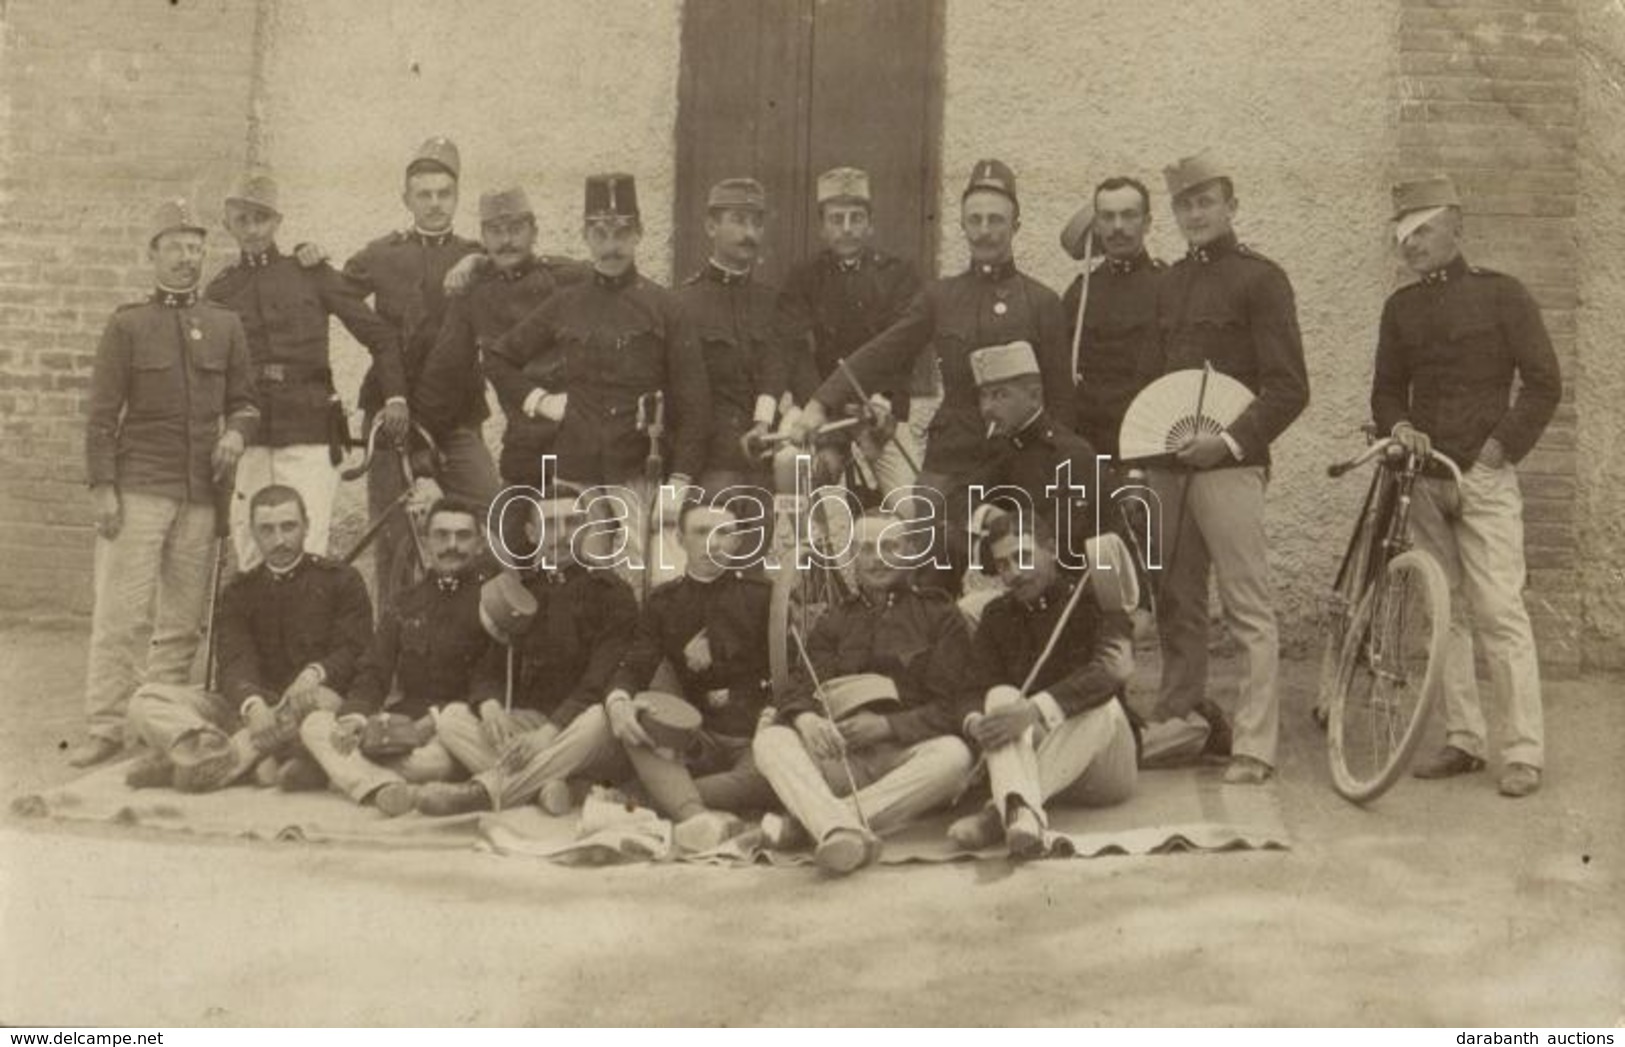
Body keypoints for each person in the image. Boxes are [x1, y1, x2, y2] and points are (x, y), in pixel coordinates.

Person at [1373, 175, 1561, 798]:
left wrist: (1499, 449)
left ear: (1457, 226)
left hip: (1484, 480)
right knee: (1442, 612)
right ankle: (1463, 738)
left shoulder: (1503, 296)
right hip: (1423, 484)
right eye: (1403, 235)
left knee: (1500, 611)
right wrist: (1398, 425)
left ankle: (1523, 751)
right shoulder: (1400, 309)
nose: (1412, 245)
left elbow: (1542, 382)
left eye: (1423, 230)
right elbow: (1386, 388)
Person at [73, 198, 258, 768]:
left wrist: (236, 435)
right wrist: (104, 488)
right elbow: (102, 416)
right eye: (175, 246)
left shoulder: (225, 324)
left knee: (181, 621)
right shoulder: (128, 324)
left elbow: (245, 403)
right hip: (140, 487)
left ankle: (159, 720)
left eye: (195, 247)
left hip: (202, 493)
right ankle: (106, 725)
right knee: (122, 614)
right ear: (152, 253)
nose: (187, 257)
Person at [1144, 151, 1309, 786]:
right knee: (1177, 600)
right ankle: (1181, 721)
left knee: (1248, 605)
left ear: (1231, 207)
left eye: (1206, 201)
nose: (1195, 214)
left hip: (1229, 467)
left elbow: (1289, 389)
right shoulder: (1168, 284)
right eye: (1185, 204)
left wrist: (1229, 444)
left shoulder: (1261, 280)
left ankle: (1255, 744)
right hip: (1169, 466)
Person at [790, 160, 1070, 507]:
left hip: (1022, 456)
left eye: (996, 220)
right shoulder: (941, 297)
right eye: (975, 220)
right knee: (922, 535)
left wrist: (1055, 466)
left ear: (1016, 226)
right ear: (963, 226)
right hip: (955, 456)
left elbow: (1060, 402)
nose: (984, 230)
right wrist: (820, 402)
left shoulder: (1043, 302)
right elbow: (884, 351)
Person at [484, 173, 710, 589]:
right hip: (576, 471)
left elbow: (696, 405)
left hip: (640, 468)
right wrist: (539, 400)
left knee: (652, 582)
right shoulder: (566, 303)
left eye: (622, 232)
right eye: (601, 233)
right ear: (586, 236)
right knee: (581, 581)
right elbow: (498, 357)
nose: (612, 246)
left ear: (639, 233)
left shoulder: (666, 308)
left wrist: (679, 483)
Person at [753, 510, 983, 875]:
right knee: (771, 740)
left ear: (909, 552)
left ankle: (820, 824)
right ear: (852, 558)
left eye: (889, 547)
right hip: (842, 756)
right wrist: (808, 718)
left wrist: (888, 727)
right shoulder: (835, 619)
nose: (876, 558)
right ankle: (836, 827)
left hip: (907, 756)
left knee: (955, 758)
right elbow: (800, 685)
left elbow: (950, 706)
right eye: (865, 549)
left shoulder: (940, 615)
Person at [206, 170, 405, 569]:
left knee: (309, 550)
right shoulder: (220, 291)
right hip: (251, 435)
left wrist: (396, 394)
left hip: (310, 429)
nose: (252, 229)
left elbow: (379, 335)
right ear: (228, 225)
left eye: (261, 218)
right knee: (250, 548)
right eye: (242, 220)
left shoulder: (310, 272)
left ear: (277, 221)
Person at [408, 488, 640, 816]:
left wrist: (547, 735)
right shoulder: (520, 587)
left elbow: (597, 682)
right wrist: (490, 707)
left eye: (571, 523)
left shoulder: (613, 594)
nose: (560, 536)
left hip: (579, 732)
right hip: (531, 727)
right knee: (451, 719)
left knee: (599, 720)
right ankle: (553, 787)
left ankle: (485, 792)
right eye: (548, 524)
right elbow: (488, 667)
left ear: (587, 529)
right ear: (531, 533)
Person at [125, 485, 372, 791]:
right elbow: (233, 662)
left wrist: (314, 673)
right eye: (267, 529)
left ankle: (200, 762)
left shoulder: (342, 580)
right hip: (248, 711)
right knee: (146, 699)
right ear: (253, 533)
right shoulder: (240, 592)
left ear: (306, 526)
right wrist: (252, 705)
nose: (279, 539)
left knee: (318, 712)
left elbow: (354, 649)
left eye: (289, 527)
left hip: (311, 703)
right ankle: (232, 755)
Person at [342, 137, 500, 610]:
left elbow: (523, 266)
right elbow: (332, 294)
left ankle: (473, 628)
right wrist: (310, 257)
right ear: (406, 199)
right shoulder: (380, 254)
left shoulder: (476, 255)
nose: (434, 204)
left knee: (491, 513)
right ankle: (391, 658)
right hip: (392, 418)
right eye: (424, 194)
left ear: (457, 196)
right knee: (396, 539)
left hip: (455, 418)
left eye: (444, 194)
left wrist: (480, 260)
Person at [949, 512, 1139, 857]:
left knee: (1104, 706)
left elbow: (1114, 669)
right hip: (1041, 759)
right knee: (998, 696)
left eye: (1023, 557)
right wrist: (977, 723)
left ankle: (997, 812)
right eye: (1003, 565)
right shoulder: (997, 615)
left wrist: (1034, 709)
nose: (1014, 573)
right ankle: (1023, 812)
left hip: (1104, 767)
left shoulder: (1095, 597)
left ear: (1050, 549)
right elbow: (971, 688)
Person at [298, 499, 497, 814]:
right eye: (442, 536)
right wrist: (355, 718)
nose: (452, 546)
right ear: (427, 540)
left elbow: (491, 681)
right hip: (398, 726)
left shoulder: (492, 602)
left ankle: (343, 774)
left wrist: (428, 724)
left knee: (428, 764)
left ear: (479, 542)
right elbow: (374, 669)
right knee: (315, 724)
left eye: (463, 536)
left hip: (448, 729)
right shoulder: (406, 601)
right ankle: (383, 787)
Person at [602, 503, 778, 853]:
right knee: (636, 721)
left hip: (754, 736)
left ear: (739, 542)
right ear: (681, 539)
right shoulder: (664, 601)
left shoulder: (764, 596)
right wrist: (618, 701)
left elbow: (790, 672)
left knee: (773, 772)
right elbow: (635, 664)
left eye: (724, 533)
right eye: (701, 532)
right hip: (697, 738)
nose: (713, 544)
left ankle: (644, 799)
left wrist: (772, 715)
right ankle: (699, 818)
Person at [414, 186, 587, 491]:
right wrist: (420, 437)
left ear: (534, 231)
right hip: (526, 447)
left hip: (580, 443)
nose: (506, 241)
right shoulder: (475, 296)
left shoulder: (569, 277)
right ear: (483, 236)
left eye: (516, 229)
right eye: (495, 231)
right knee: (506, 533)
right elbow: (444, 370)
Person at [779, 166, 923, 498]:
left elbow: (901, 351)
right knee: (793, 472)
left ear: (870, 224)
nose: (846, 229)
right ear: (821, 227)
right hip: (820, 412)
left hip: (879, 409)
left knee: (912, 503)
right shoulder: (803, 277)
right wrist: (816, 407)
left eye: (856, 218)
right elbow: (795, 351)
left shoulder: (898, 275)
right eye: (836, 219)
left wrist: (881, 400)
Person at [675, 177, 791, 552]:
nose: (749, 233)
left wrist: (762, 421)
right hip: (711, 464)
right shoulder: (683, 304)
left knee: (753, 574)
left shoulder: (770, 302)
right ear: (711, 226)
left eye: (756, 223)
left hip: (759, 458)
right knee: (713, 563)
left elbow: (774, 368)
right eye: (738, 221)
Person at [1058, 178, 1166, 460]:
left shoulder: (1169, 287)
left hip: (1147, 446)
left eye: (1129, 215)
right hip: (1087, 447)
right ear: (1097, 225)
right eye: (1107, 216)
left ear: (1147, 223)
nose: (1118, 226)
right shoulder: (1080, 292)